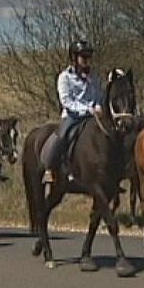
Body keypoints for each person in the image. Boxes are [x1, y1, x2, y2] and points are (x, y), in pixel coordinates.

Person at [42, 40, 103, 184]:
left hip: (94, 116)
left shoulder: (94, 77)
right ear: (74, 58)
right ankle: (50, 169)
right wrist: (87, 110)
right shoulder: (65, 77)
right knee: (62, 136)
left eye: (89, 57)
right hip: (73, 117)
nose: (87, 61)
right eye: (83, 57)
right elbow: (67, 102)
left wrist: (99, 106)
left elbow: (99, 95)